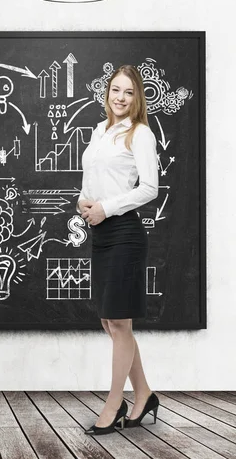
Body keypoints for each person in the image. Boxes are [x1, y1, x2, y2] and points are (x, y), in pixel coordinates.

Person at [78, 65, 161, 435]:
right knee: (111, 322)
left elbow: (149, 189)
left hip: (125, 234)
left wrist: (106, 208)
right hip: (101, 233)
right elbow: (91, 177)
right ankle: (143, 393)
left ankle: (115, 402)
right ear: (107, 93)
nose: (120, 97)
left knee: (119, 322)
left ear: (137, 97)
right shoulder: (100, 131)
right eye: (115, 90)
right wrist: (84, 202)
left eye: (128, 92)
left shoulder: (140, 134)